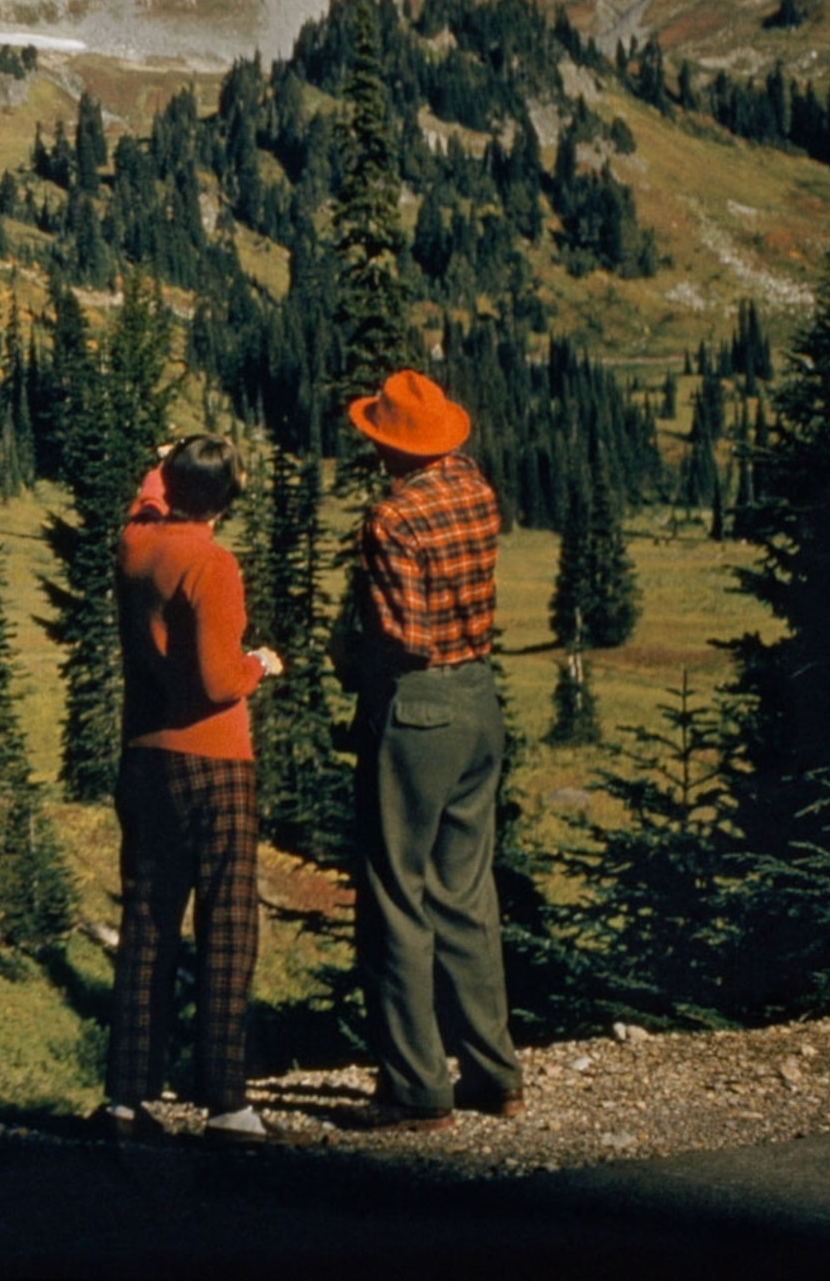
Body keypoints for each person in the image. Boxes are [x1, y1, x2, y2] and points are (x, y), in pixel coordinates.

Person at [344, 370, 526, 1132]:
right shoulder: (476, 489)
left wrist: (352, 641)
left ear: (391, 445)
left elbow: (406, 637)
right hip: (480, 697)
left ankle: (417, 1086)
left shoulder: (391, 519)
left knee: (396, 894)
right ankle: (495, 1072)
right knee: (467, 890)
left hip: (417, 706)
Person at [101, 433, 284, 1143]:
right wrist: (259, 664)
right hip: (214, 761)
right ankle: (226, 1101)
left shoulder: (136, 545)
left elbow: (145, 502)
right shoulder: (212, 563)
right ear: (226, 501)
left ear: (173, 486)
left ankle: (126, 1096)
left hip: (145, 758)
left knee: (149, 921)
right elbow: (216, 680)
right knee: (227, 924)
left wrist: (162, 461)